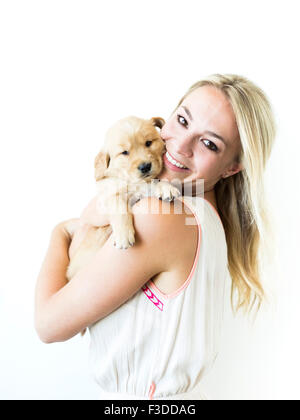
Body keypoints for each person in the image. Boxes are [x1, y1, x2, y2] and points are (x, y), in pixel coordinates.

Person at [34, 74, 276, 400]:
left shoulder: (163, 215)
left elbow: (48, 324)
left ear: (232, 167)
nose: (180, 145)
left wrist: (59, 233)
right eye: (182, 120)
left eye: (209, 143)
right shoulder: (201, 216)